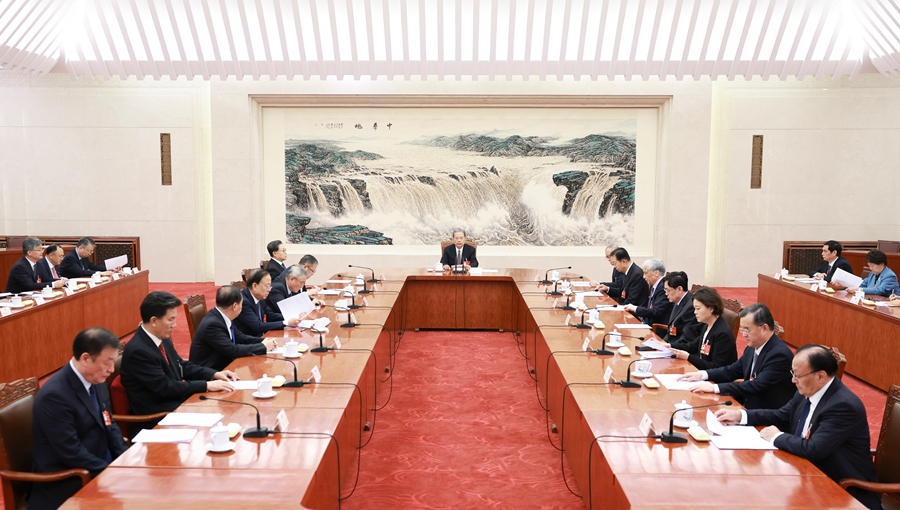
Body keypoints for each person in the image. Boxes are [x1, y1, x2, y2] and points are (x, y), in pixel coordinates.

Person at [715, 344, 881, 510]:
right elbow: (781, 415)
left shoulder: (843, 406)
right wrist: (741, 416)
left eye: (798, 375)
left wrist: (776, 436)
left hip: (843, 491)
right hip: (806, 474)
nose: (793, 380)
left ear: (821, 376)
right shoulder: (808, 389)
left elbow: (814, 449)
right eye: (793, 373)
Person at [30, 328, 129, 510]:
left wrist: (127, 461)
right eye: (107, 362)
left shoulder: (96, 380)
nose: (111, 369)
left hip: (99, 464)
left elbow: (108, 422)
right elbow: (71, 452)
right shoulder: (55, 396)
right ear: (85, 358)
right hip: (70, 479)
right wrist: (111, 472)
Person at [121, 291, 237, 435]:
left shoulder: (160, 337)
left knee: (225, 408)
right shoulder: (139, 351)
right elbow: (165, 387)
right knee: (215, 424)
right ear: (154, 321)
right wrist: (207, 385)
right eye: (171, 320)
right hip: (158, 417)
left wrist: (214, 374)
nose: (175, 325)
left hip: (176, 403)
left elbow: (181, 365)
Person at [679, 303, 795, 410]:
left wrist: (715, 388)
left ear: (764, 328)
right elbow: (733, 370)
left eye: (747, 329)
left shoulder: (779, 355)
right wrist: (702, 374)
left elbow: (756, 385)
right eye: (742, 329)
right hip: (747, 407)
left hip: (766, 415)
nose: (743, 335)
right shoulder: (752, 347)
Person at [189, 285, 277, 371]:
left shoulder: (222, 315)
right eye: (241, 304)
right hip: (212, 372)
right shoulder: (212, 325)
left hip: (225, 365)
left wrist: (264, 341)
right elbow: (232, 350)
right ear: (234, 306)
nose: (242, 307)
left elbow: (241, 337)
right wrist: (263, 347)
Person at [669, 287, 737, 370]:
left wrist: (689, 357)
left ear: (711, 308)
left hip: (714, 376)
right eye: (694, 309)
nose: (695, 312)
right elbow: (693, 346)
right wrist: (670, 345)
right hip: (702, 370)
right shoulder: (707, 325)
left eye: (698, 309)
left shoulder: (722, 333)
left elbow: (716, 366)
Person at [235, 269, 302, 335]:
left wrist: (294, 316)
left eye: (270, 286)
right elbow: (258, 326)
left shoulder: (260, 297)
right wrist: (286, 323)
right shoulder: (243, 302)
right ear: (255, 286)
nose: (269, 290)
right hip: (250, 339)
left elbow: (271, 316)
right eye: (267, 286)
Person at [623, 258, 672, 325]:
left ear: (656, 273)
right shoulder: (655, 286)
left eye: (646, 273)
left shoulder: (663, 288)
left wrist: (635, 308)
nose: (643, 277)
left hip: (657, 327)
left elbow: (656, 312)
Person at [659, 272, 701, 349]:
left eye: (668, 290)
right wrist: (661, 343)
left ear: (679, 289)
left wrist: (668, 346)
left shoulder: (690, 307)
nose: (666, 294)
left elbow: (687, 338)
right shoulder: (678, 301)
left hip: (680, 349)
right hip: (672, 345)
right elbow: (671, 332)